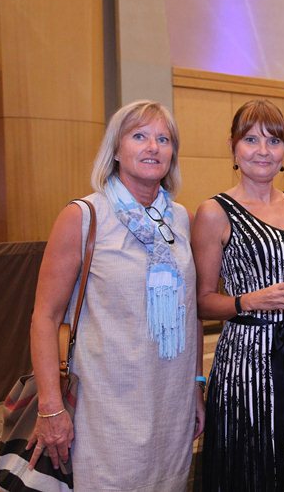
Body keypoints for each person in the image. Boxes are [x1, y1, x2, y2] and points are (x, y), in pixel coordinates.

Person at [25, 101, 202, 491]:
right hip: (105, 408)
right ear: (116, 149)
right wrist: (51, 407)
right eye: (139, 136)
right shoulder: (85, 216)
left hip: (171, 406)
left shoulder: (180, 219)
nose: (153, 147)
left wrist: (195, 388)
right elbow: (45, 317)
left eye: (163, 139)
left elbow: (189, 314)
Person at [193, 99, 284, 491]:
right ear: (233, 147)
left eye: (273, 141)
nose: (263, 150)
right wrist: (249, 300)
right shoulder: (214, 212)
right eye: (251, 139)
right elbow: (202, 300)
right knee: (251, 466)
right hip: (246, 363)